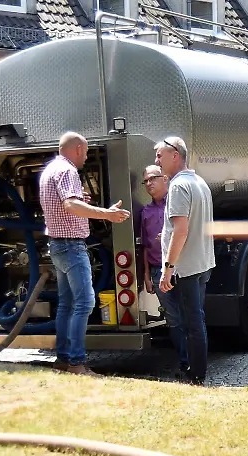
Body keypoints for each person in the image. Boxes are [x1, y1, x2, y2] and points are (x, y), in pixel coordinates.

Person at [39, 131, 131, 376]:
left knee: (66, 304)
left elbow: (66, 203)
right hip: (71, 246)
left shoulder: (50, 169)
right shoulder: (68, 171)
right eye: (87, 151)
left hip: (57, 245)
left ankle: (63, 358)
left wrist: (84, 201)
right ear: (78, 148)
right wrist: (107, 214)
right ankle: (77, 363)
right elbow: (70, 205)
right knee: (85, 302)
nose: (87, 156)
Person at [154, 136, 216, 385]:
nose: (156, 161)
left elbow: (180, 231)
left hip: (187, 267)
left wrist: (168, 269)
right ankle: (195, 370)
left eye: (160, 155)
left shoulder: (179, 186)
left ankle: (196, 376)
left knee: (192, 323)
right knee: (196, 319)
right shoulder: (199, 181)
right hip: (202, 263)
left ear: (175, 155)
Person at [140, 164, 187, 375]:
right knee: (173, 319)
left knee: (191, 314)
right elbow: (144, 246)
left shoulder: (178, 204)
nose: (149, 183)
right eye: (146, 180)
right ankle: (185, 361)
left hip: (183, 268)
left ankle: (196, 360)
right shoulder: (145, 212)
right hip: (159, 272)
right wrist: (147, 277)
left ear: (165, 179)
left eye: (153, 178)